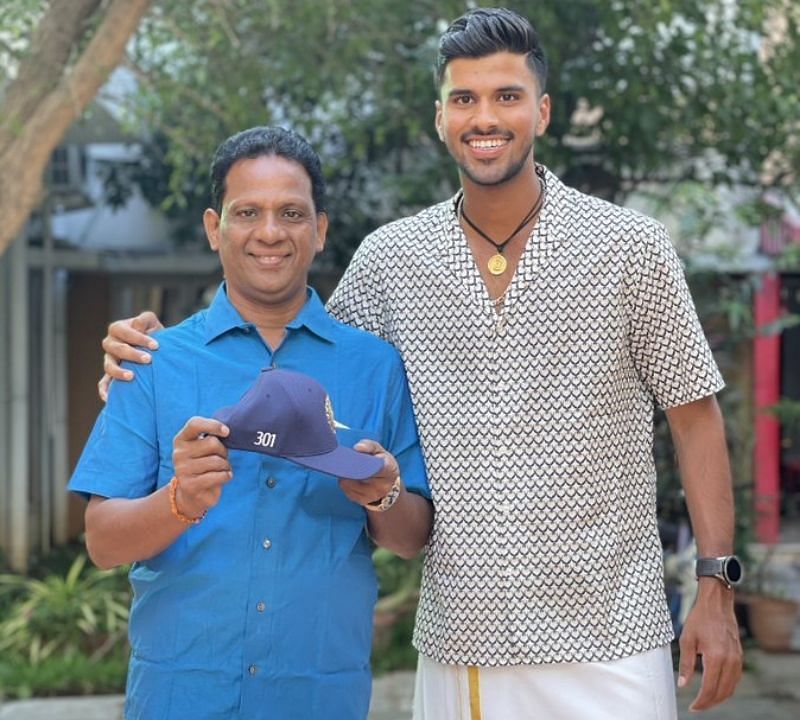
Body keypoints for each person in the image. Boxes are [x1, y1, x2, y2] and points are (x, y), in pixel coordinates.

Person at [98, 8, 743, 719]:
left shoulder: (630, 246)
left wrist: (715, 585)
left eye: (507, 96)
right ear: (440, 118)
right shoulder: (389, 261)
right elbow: (291, 355)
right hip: (461, 640)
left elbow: (695, 415)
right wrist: (157, 347)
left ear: (543, 111)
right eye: (464, 99)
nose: (484, 117)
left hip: (613, 634)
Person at [71, 126, 433, 720]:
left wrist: (384, 492)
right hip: (180, 698)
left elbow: (411, 536)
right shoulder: (153, 363)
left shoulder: (374, 366)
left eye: (291, 212)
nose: (270, 232)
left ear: (319, 231)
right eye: (249, 212)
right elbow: (102, 541)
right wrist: (180, 501)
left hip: (321, 696)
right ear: (216, 228)